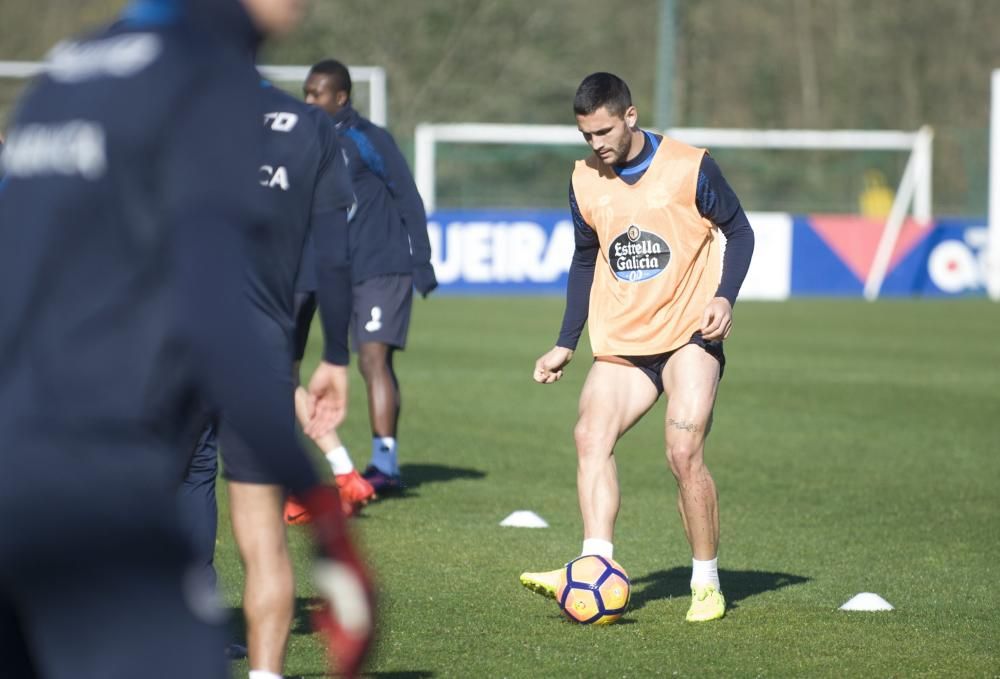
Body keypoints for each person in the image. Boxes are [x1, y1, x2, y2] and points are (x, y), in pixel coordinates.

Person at [0, 1, 373, 677]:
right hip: (106, 456)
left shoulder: (67, 70)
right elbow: (211, 299)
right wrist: (319, 503)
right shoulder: (203, 79)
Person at [519, 72, 755, 623]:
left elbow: (739, 231)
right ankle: (593, 566)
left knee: (682, 453)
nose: (596, 144)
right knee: (589, 434)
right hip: (624, 341)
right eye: (585, 135)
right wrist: (565, 344)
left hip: (689, 336)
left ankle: (705, 583)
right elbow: (584, 258)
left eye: (603, 130)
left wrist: (725, 298)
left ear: (630, 116)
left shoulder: (691, 166)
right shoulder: (583, 180)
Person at [181, 80, 364, 678]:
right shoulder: (309, 125)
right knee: (262, 540)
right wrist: (336, 355)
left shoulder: (163, 105)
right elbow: (336, 256)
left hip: (167, 344)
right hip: (258, 350)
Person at [301, 58, 438, 495]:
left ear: (340, 97)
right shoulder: (306, 141)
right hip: (338, 272)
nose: (308, 99)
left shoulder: (368, 138)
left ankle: (384, 464)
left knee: (372, 359)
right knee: (326, 361)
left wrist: (423, 260)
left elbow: (407, 195)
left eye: (316, 93)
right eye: (305, 91)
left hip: (383, 263)